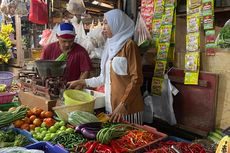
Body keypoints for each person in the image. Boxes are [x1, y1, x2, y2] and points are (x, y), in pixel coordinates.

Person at [67, 9, 144, 124]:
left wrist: (124, 104)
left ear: (116, 23)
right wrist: (82, 82)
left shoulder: (129, 46)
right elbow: (104, 78)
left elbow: (137, 79)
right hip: (111, 108)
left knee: (132, 139)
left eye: (106, 23)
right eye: (103, 23)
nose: (103, 28)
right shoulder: (109, 47)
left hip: (128, 109)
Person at [41, 22, 92, 87]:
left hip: (72, 89)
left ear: (75, 36)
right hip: (51, 87)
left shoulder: (81, 52)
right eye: (64, 41)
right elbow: (42, 68)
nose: (67, 44)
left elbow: (85, 71)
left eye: (71, 41)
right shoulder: (48, 49)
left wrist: (77, 87)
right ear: (57, 36)